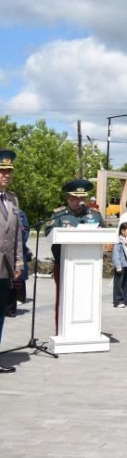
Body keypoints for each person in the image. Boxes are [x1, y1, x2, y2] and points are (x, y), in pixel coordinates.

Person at [46, 179, 105, 333]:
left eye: (82, 198)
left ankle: (86, 330)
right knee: (63, 299)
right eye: (75, 198)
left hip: (90, 266)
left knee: (87, 298)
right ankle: (61, 331)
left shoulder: (95, 215)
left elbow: (106, 233)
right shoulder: (59, 215)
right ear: (68, 198)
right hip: (64, 264)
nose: (79, 202)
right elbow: (48, 234)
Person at [0, 150, 24, 373]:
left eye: (8, 171)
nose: (6, 175)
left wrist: (18, 263)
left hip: (5, 268)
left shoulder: (12, 199)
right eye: (1, 171)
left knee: (0, 313)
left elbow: (16, 234)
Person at [112, 222, 127, 309]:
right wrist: (118, 266)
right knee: (118, 284)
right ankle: (118, 301)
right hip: (120, 266)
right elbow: (115, 255)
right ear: (122, 231)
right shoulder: (118, 242)